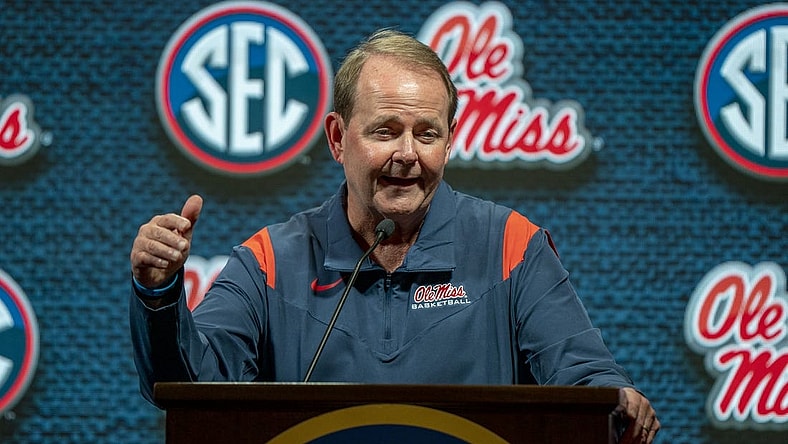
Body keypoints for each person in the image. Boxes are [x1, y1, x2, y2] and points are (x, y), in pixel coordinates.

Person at [129, 29, 659, 443]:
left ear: (450, 140)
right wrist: (158, 295)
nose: (407, 154)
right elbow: (194, 391)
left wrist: (617, 402)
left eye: (427, 133)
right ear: (338, 138)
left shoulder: (511, 246)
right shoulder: (269, 260)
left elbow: (584, 377)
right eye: (385, 130)